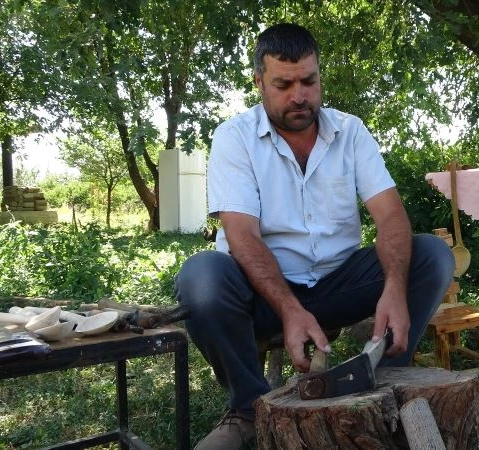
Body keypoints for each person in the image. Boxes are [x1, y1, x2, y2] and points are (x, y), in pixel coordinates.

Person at [175, 23, 455, 450]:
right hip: (262, 295)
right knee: (201, 278)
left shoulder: (350, 131)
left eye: (308, 81)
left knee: (432, 255)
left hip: (338, 284)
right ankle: (248, 408)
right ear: (259, 83)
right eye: (283, 85)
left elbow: (390, 216)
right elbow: (242, 235)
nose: (299, 95)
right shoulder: (234, 138)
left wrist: (395, 289)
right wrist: (290, 310)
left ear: (320, 75)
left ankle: (384, 383)